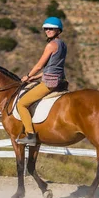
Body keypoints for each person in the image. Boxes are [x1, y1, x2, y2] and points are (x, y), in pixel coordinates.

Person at [16, 17, 67, 146]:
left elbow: (39, 65)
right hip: (60, 80)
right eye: (46, 29)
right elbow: (53, 66)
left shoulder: (50, 45)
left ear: (58, 30)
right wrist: (36, 77)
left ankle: (30, 135)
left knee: (21, 104)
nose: (48, 31)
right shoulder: (63, 45)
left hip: (49, 83)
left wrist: (27, 76)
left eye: (52, 28)